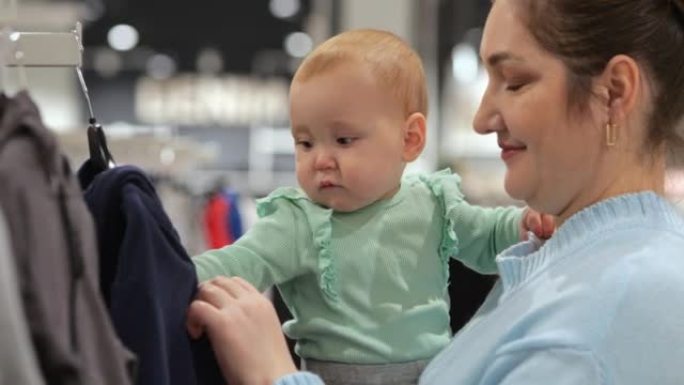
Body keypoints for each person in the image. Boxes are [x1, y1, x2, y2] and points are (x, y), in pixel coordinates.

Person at [187, 0, 684, 384]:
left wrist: (274, 374)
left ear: (614, 91)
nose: (481, 117)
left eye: (513, 82)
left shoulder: (616, 304)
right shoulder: (579, 270)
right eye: (305, 141)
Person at [190, 28, 553, 385]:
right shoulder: (299, 222)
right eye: (305, 143)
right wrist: (172, 276)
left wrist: (525, 224)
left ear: (409, 140)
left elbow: (487, 238)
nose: (320, 160)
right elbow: (233, 265)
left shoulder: (432, 202)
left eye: (343, 140)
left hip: (436, 373)